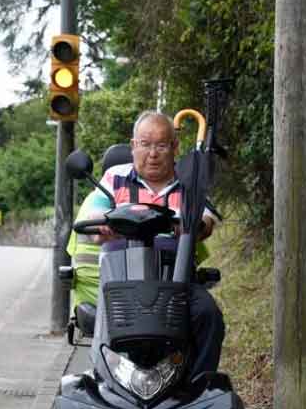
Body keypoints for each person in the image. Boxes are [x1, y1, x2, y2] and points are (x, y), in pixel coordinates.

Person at [75, 110, 225, 379]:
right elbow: (92, 217)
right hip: (121, 277)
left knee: (208, 314)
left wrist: (191, 224)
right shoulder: (114, 178)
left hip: (175, 279)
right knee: (107, 322)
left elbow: (207, 220)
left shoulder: (189, 182)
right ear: (133, 146)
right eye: (145, 144)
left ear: (174, 147)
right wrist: (108, 221)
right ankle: (107, 382)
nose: (153, 153)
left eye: (161, 145)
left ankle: (197, 386)